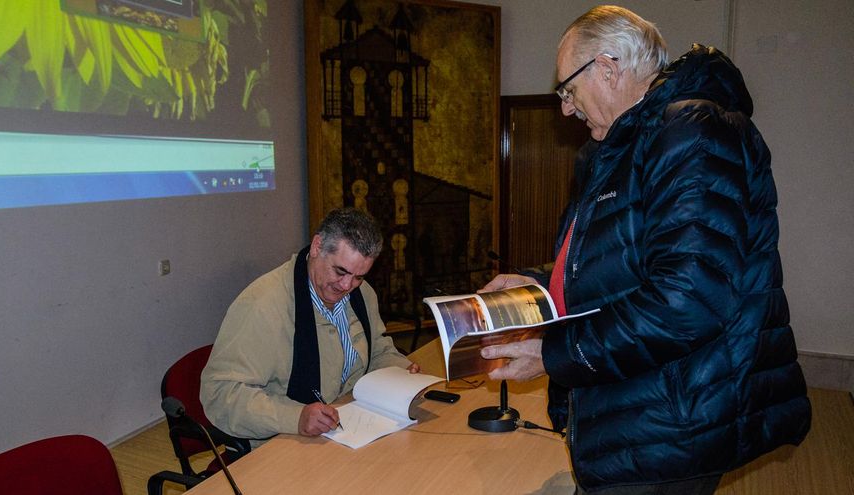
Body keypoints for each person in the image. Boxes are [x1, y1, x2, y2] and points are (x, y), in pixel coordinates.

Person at [480, 6, 810, 494]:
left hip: (671, 419)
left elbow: (687, 301)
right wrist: (540, 281)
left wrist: (554, 354)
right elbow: (627, 261)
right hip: (643, 408)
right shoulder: (628, 145)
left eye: (568, 89)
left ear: (609, 68)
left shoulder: (689, 132)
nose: (566, 108)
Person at [201, 207, 419, 447]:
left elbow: (378, 351)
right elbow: (220, 394)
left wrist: (403, 370)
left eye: (359, 277)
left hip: (345, 430)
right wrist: (295, 417)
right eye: (340, 271)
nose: (347, 285)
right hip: (281, 443)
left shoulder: (362, 294)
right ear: (317, 246)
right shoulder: (262, 305)